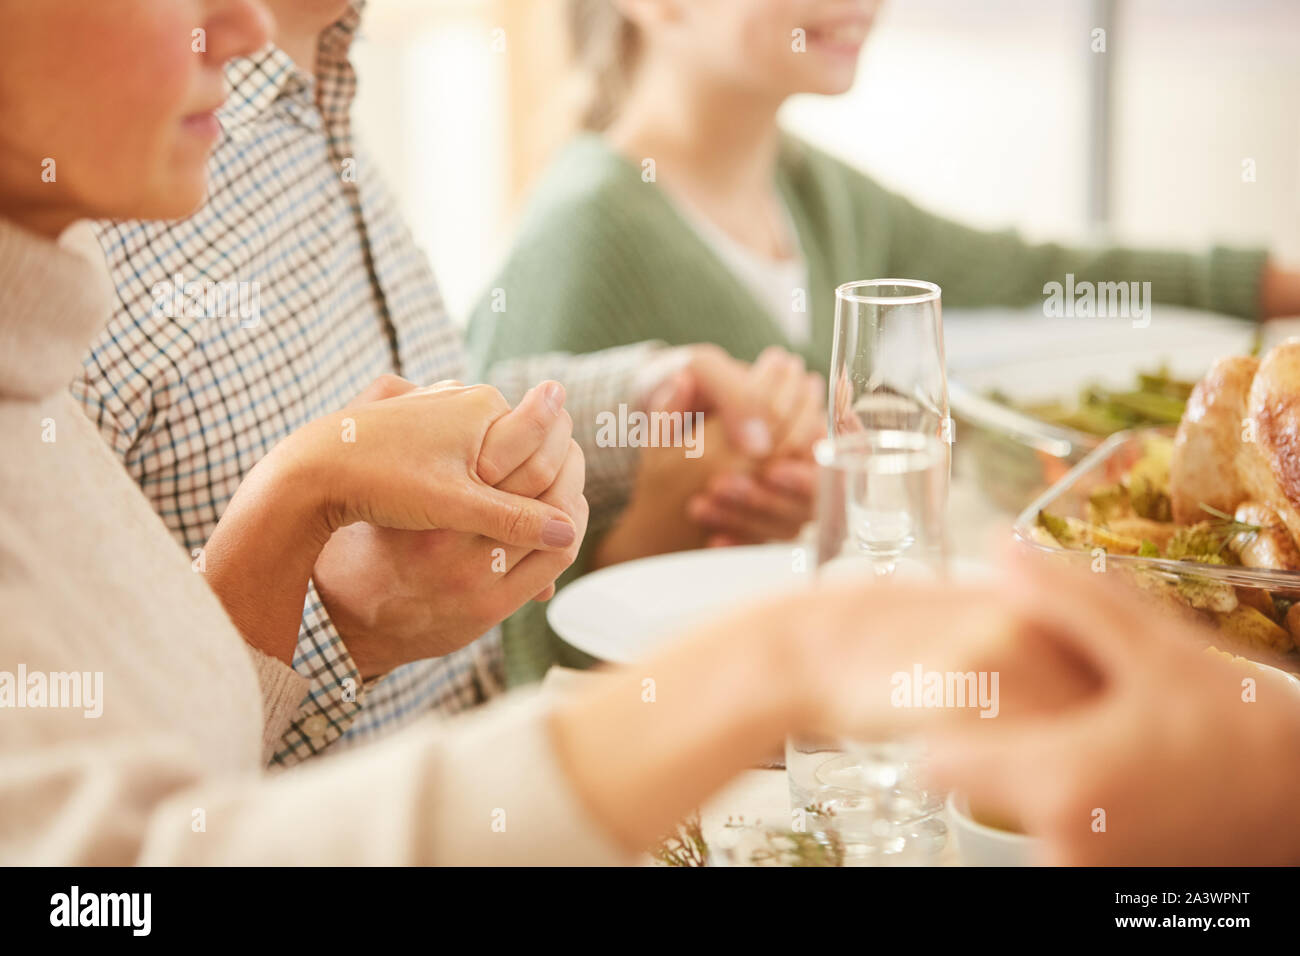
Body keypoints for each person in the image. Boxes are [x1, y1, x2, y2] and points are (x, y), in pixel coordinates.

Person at [72, 0, 824, 737]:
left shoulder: (315, 93)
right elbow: (90, 784)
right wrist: (346, 632)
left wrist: (633, 405)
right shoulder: (95, 211)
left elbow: (404, 425)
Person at [468, 0, 1300, 380]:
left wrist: (1277, 289)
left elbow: (1035, 269)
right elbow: (500, 613)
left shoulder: (814, 193)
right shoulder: (584, 235)